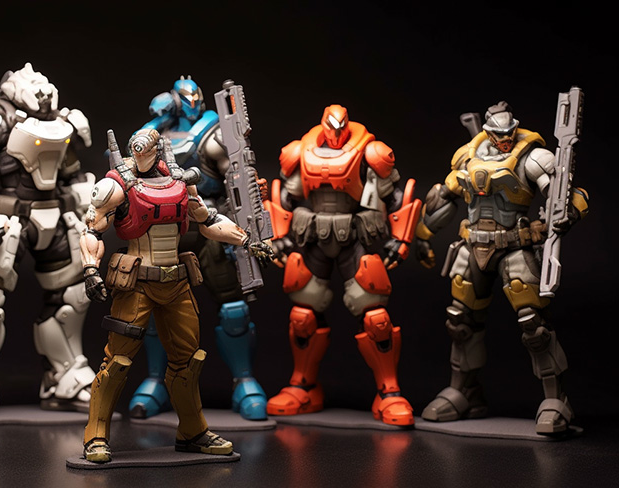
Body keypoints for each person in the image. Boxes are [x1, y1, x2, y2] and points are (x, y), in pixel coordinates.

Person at [79, 128, 273, 463]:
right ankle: (95, 436)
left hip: (176, 282)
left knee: (188, 362)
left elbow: (208, 221)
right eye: (137, 148)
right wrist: (90, 269)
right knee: (117, 362)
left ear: (158, 150)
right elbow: (92, 230)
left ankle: (193, 432)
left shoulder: (181, 181)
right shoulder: (116, 185)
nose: (141, 153)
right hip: (137, 283)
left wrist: (247, 240)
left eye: (146, 148)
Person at [415, 100, 589, 435]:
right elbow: (444, 198)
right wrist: (423, 235)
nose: (506, 140)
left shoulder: (532, 157)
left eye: (509, 133)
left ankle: (556, 400)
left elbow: (568, 194)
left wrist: (567, 213)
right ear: (487, 132)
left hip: (514, 247)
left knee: (533, 325)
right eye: (499, 134)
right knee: (460, 321)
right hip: (472, 247)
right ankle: (465, 392)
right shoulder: (467, 156)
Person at [0, 62, 96, 419]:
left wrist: (87, 207)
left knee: (72, 296)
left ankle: (65, 374)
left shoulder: (62, 121)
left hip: (57, 218)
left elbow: (72, 173)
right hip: (10, 221)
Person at [264, 104, 420, 426]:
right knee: (303, 315)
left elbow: (395, 197)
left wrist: (400, 239)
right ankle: (303, 386)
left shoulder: (370, 152)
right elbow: (285, 198)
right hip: (313, 237)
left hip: (354, 237)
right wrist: (277, 236)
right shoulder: (301, 151)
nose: (335, 136)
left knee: (375, 317)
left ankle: (389, 392)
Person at [129, 75, 268, 420]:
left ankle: (244, 381)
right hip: (164, 228)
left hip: (207, 223)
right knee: (154, 309)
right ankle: (156, 381)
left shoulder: (213, 134)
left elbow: (235, 178)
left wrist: (247, 210)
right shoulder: (151, 134)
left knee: (233, 308)